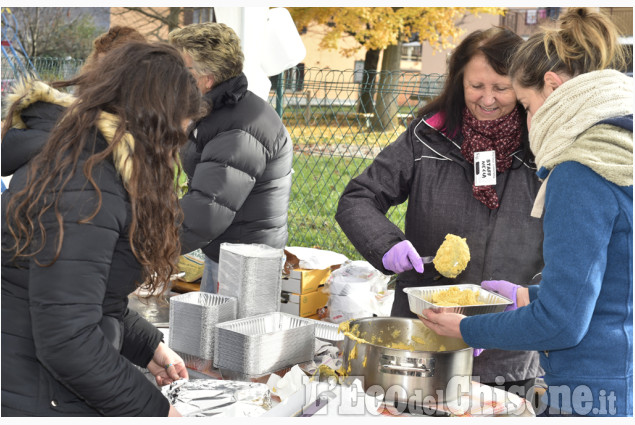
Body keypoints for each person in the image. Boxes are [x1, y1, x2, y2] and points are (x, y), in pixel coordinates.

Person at [420, 8, 632, 417]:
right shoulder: (619, 151)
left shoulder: (579, 171)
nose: (530, 122)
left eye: (528, 106)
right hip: (620, 374)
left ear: (552, 87)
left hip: (586, 390)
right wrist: (524, 296)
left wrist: (466, 329)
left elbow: (562, 324)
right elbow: (609, 286)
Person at [335, 26, 544, 395]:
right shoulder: (428, 137)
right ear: (458, 81)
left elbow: (575, 248)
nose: (488, 99)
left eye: (501, 87)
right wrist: (386, 245)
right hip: (422, 337)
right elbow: (358, 198)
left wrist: (533, 296)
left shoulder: (544, 150)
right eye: (477, 86)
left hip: (508, 349)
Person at [1, 42, 204, 416]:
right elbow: (68, 339)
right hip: (34, 393)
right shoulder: (85, 184)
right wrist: (157, 413)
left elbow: (82, 294)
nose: (178, 149)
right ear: (154, 122)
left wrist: (148, 348)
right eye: (178, 134)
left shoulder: (95, 164)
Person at [168, 22, 293, 293]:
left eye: (179, 69)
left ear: (206, 79)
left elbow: (207, 211)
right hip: (227, 251)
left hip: (245, 265)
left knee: (226, 333)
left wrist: (146, 250)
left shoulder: (240, 128)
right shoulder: (217, 111)